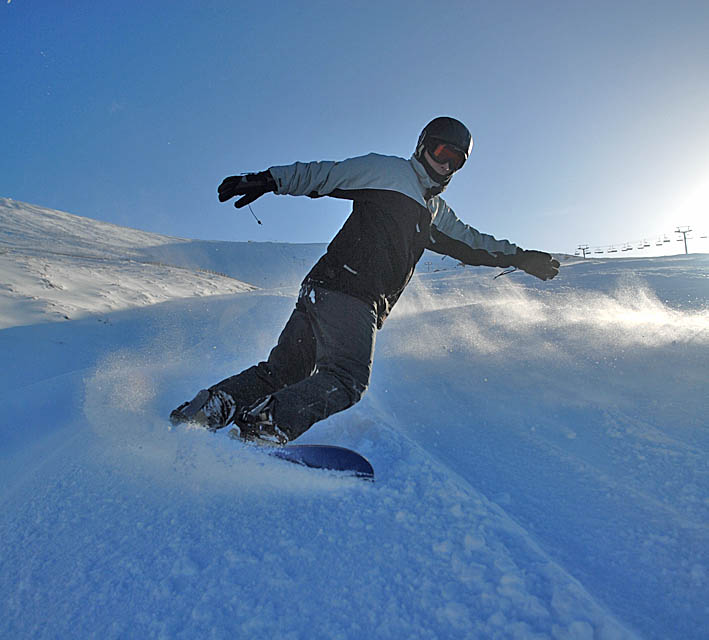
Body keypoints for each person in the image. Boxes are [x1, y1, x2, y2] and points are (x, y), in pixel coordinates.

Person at [170, 117, 560, 444]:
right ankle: (264, 426)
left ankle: (210, 408)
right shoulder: (389, 173)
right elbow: (326, 174)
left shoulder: (435, 212)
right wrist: (269, 180)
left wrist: (520, 257)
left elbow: (473, 243)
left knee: (284, 371)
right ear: (423, 146)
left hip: (323, 291)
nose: (445, 165)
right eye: (441, 152)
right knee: (347, 379)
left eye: (455, 161)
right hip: (349, 292)